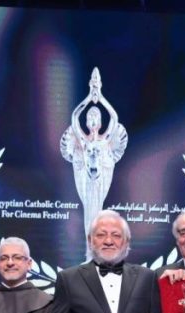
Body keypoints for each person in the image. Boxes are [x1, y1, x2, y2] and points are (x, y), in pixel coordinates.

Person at [60, 68, 129, 261]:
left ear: (99, 122)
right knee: (88, 216)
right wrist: (89, 97)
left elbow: (114, 118)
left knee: (97, 214)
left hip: (99, 183)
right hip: (87, 184)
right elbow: (74, 118)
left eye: (95, 118)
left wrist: (100, 96)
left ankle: (97, 255)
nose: (92, 120)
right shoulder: (83, 142)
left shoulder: (104, 142)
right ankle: (89, 254)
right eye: (89, 117)